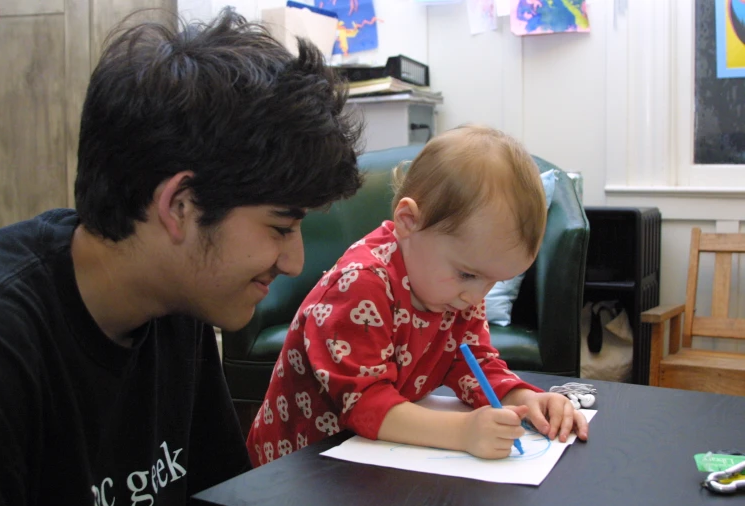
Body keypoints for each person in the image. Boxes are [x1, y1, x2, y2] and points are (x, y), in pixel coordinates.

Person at [0, 9, 361, 506]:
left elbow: (215, 504)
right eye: (280, 227)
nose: (294, 261)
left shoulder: (178, 301)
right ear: (180, 206)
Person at [247, 125, 589, 467]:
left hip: (369, 461)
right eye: (468, 274)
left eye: (493, 282)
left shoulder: (456, 290)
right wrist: (463, 431)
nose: (475, 297)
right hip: (300, 467)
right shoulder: (360, 284)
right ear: (408, 221)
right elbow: (364, 403)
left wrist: (522, 397)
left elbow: (471, 361)